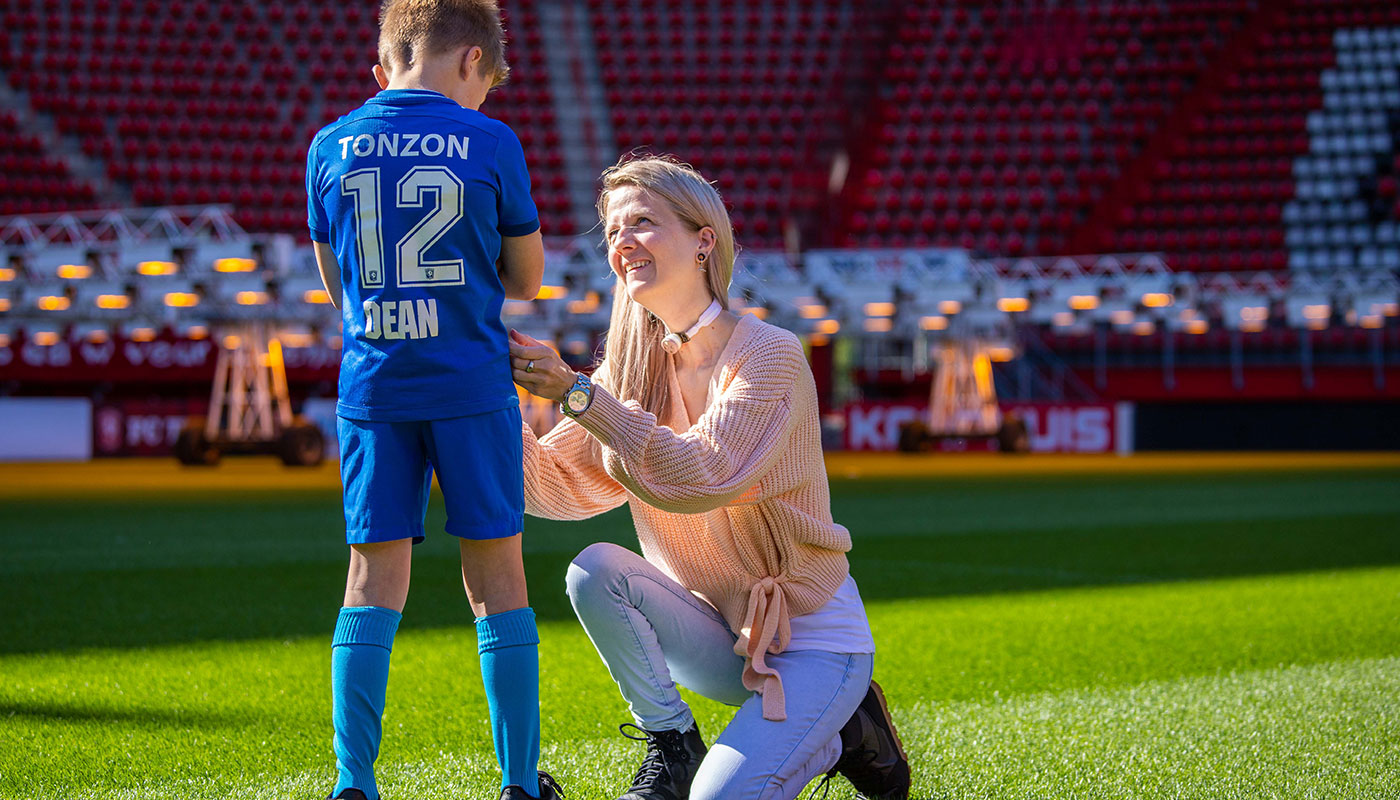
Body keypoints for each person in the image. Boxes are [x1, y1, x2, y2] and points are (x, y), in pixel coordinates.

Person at [509, 155, 911, 800]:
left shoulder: (770, 353)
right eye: (613, 230)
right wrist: (489, 394)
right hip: (721, 635)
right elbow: (554, 488)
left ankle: (845, 724)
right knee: (594, 569)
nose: (623, 243)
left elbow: (709, 473)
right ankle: (673, 745)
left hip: (813, 639)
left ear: (704, 240)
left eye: (643, 222)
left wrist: (579, 396)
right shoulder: (628, 373)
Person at [304, 2, 561, 798]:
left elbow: (335, 285)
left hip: (374, 388)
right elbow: (526, 281)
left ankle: (355, 783)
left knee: (368, 582)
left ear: (384, 67)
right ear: (473, 61)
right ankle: (518, 784)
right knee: (497, 580)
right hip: (469, 386)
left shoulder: (328, 145)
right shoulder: (490, 140)